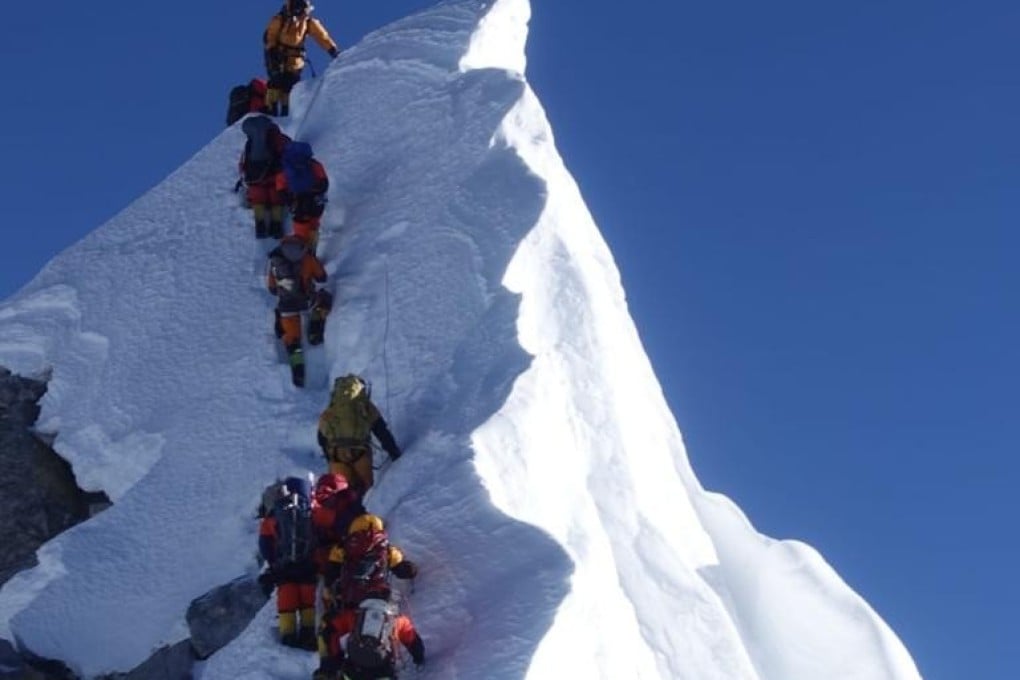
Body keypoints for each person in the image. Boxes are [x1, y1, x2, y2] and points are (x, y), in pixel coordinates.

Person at [315, 514, 420, 680]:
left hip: (352, 608)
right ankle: (386, 666)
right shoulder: (387, 550)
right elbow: (403, 570)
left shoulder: (343, 548)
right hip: (381, 603)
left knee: (328, 628)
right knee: (384, 632)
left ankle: (330, 669)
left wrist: (330, 588)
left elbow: (331, 573)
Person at [258, 476, 318, 650]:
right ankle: (308, 632)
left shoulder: (273, 517)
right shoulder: (310, 512)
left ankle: (288, 635)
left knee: (287, 598)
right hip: (307, 564)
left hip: (283, 566)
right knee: (308, 600)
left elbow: (265, 545)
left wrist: (273, 563)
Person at [317, 375, 403, 492]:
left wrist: (330, 458)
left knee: (341, 493)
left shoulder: (332, 409)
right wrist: (394, 452)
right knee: (365, 491)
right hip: (360, 453)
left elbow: (321, 438)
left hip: (337, 455)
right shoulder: (364, 406)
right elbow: (381, 431)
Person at [267, 236, 328, 387]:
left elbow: (272, 289)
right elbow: (322, 278)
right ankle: (315, 328)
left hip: (286, 308)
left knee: (293, 340)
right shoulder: (307, 258)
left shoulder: (275, 260)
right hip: (307, 303)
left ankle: (298, 371)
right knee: (325, 299)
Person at [316, 597, 425, 680]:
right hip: (383, 672)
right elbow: (413, 641)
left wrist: (334, 659)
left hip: (353, 670)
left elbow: (330, 630)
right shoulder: (398, 620)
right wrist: (419, 658)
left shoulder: (354, 615)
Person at [264, 0, 339, 117]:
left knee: (290, 85)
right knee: (276, 81)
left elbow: (322, 36)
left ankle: (286, 113)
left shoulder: (308, 22)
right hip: (277, 55)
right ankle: (271, 110)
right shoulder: (281, 19)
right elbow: (270, 35)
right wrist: (272, 51)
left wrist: (332, 50)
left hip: (295, 60)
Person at [239, 115, 292, 238]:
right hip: (274, 175)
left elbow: (243, 161)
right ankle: (276, 225)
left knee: (258, 199)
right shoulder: (280, 139)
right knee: (276, 200)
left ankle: (260, 225)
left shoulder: (250, 142)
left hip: (254, 177)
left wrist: (243, 175)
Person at [276, 141, 329, 249]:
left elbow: (280, 187)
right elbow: (324, 182)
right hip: (315, 200)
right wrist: (317, 190)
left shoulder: (287, 169)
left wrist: (288, 200)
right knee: (314, 223)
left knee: (301, 223)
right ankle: (312, 249)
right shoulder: (314, 165)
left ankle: (300, 248)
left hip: (298, 202)